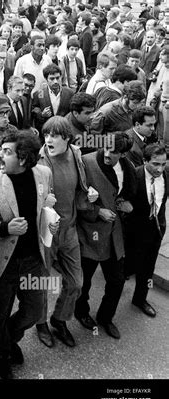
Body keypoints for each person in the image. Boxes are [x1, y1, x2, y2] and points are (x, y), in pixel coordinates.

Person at [0, 129, 58, 379]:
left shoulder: (44, 174)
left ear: (23, 158)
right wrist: (3, 229)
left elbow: (47, 205)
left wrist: (52, 221)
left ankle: (8, 340)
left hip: (34, 259)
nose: (0, 154)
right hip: (3, 264)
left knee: (33, 311)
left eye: (7, 151)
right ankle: (2, 355)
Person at [35, 116, 98, 348]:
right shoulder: (37, 159)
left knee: (76, 282)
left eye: (54, 136)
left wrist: (88, 193)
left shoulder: (76, 155)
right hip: (45, 231)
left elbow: (79, 190)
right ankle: (40, 323)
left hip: (69, 229)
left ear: (67, 139)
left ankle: (59, 319)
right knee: (41, 282)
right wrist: (42, 200)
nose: (48, 140)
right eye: (46, 134)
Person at [75, 133, 136, 339]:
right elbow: (77, 196)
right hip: (90, 233)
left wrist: (127, 206)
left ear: (123, 153)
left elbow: (127, 194)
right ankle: (81, 312)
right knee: (85, 280)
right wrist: (97, 211)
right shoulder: (86, 162)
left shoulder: (127, 168)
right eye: (107, 149)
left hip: (115, 235)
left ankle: (105, 317)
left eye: (115, 152)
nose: (109, 155)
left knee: (117, 281)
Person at [127, 144, 168, 318]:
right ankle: (109, 307)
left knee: (148, 268)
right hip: (134, 233)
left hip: (156, 231)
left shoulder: (167, 175)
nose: (160, 169)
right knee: (124, 269)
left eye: (163, 164)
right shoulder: (133, 176)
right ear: (144, 161)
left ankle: (140, 299)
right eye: (155, 164)